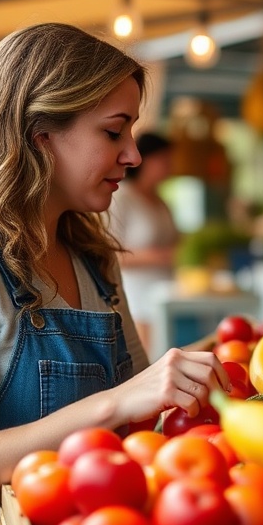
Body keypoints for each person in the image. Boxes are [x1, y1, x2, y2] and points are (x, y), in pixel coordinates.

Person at [0, 23, 229, 525]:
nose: (133, 155)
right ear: (40, 134)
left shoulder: (92, 257)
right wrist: (113, 405)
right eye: (114, 132)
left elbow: (139, 412)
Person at [108, 132, 180, 361]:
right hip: (137, 299)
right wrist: (159, 256)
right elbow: (110, 254)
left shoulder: (161, 200)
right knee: (148, 363)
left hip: (168, 295)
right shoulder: (121, 197)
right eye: (164, 160)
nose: (169, 167)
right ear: (145, 159)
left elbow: (176, 240)